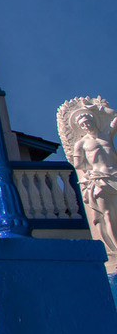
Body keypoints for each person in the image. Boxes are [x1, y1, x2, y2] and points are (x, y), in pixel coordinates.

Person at [56, 97, 117, 270]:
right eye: (82, 124)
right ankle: (115, 249)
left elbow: (115, 117)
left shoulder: (106, 135)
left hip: (115, 176)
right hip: (100, 181)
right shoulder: (81, 143)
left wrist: (95, 108)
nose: (86, 125)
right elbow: (78, 164)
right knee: (108, 215)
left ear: (92, 120)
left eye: (88, 121)